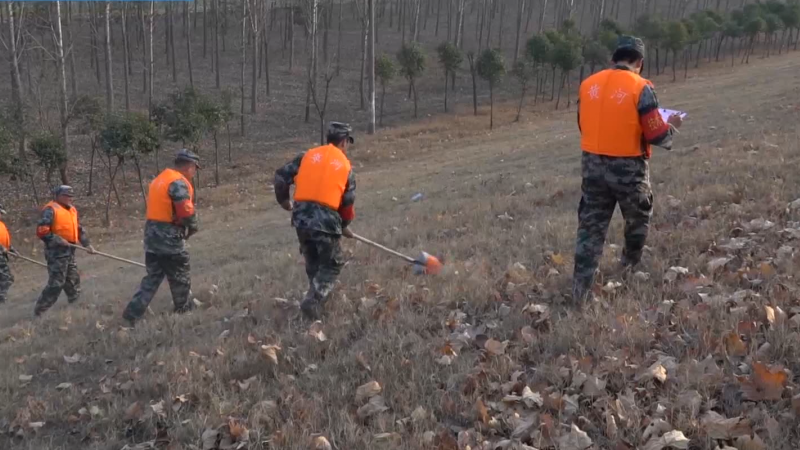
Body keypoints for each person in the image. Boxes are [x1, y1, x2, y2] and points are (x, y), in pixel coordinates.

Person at [572, 36, 683, 303]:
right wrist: (672, 125)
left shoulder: (587, 85)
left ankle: (580, 289)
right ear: (640, 62)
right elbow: (656, 133)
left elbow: (582, 124)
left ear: (613, 59)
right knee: (637, 218)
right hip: (629, 169)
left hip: (592, 167)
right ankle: (630, 265)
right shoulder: (641, 87)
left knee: (591, 228)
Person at [274, 122, 357, 320]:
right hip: (326, 219)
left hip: (301, 218)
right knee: (333, 263)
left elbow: (280, 177)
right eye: (348, 143)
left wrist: (284, 201)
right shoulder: (346, 167)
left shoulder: (307, 156)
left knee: (313, 261)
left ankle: (314, 310)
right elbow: (347, 203)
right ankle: (313, 300)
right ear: (344, 142)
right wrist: (344, 225)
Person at [123, 149, 200, 325]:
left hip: (151, 235)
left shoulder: (160, 179)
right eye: (195, 168)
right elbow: (185, 210)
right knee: (180, 273)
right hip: (168, 236)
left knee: (153, 277)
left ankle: (132, 313)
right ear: (190, 166)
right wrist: (193, 227)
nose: (195, 172)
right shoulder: (178, 182)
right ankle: (183, 308)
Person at [34, 186, 96, 316]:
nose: (69, 198)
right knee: (56, 283)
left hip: (70, 251)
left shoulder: (72, 210)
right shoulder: (50, 210)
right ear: (58, 196)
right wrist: (57, 239)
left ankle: (76, 304)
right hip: (56, 252)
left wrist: (87, 244)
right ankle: (40, 311)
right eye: (66, 195)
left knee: (73, 279)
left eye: (71, 196)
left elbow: (78, 229)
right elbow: (42, 231)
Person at [0, 204, 16, 304]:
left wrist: (12, 249)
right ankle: (1, 297)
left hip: (2, 255)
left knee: (6, 278)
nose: (1, 215)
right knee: (7, 278)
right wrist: (2, 248)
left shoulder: (1, 225)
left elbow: (4, 239)